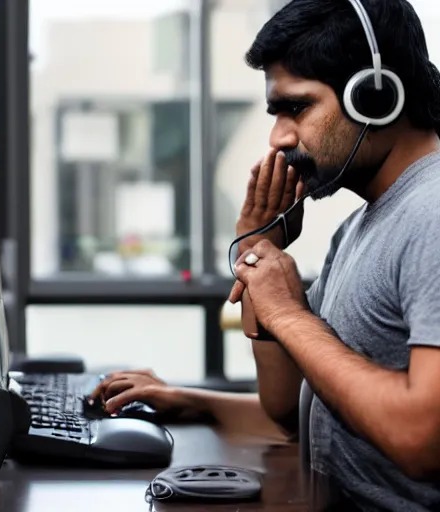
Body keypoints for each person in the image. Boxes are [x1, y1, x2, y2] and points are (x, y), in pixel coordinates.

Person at [92, 0, 440, 509]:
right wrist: (260, 251)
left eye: (297, 108)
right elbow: (289, 407)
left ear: (377, 95)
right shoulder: (364, 225)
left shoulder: (431, 215)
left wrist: (286, 311)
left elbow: (421, 438)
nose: (278, 139)